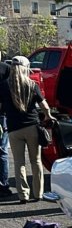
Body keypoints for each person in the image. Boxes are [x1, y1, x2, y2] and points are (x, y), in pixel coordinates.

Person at [0, 56, 55, 203]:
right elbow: (45, 106)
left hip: (13, 129)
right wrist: (48, 117)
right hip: (32, 127)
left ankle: (23, 195)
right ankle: (38, 193)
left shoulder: (4, 86)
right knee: (36, 161)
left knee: (19, 163)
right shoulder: (32, 84)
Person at [0, 60, 11, 197]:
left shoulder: (5, 68)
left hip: (2, 115)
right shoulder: (6, 68)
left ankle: (3, 184)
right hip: (2, 116)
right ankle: (3, 185)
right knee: (2, 151)